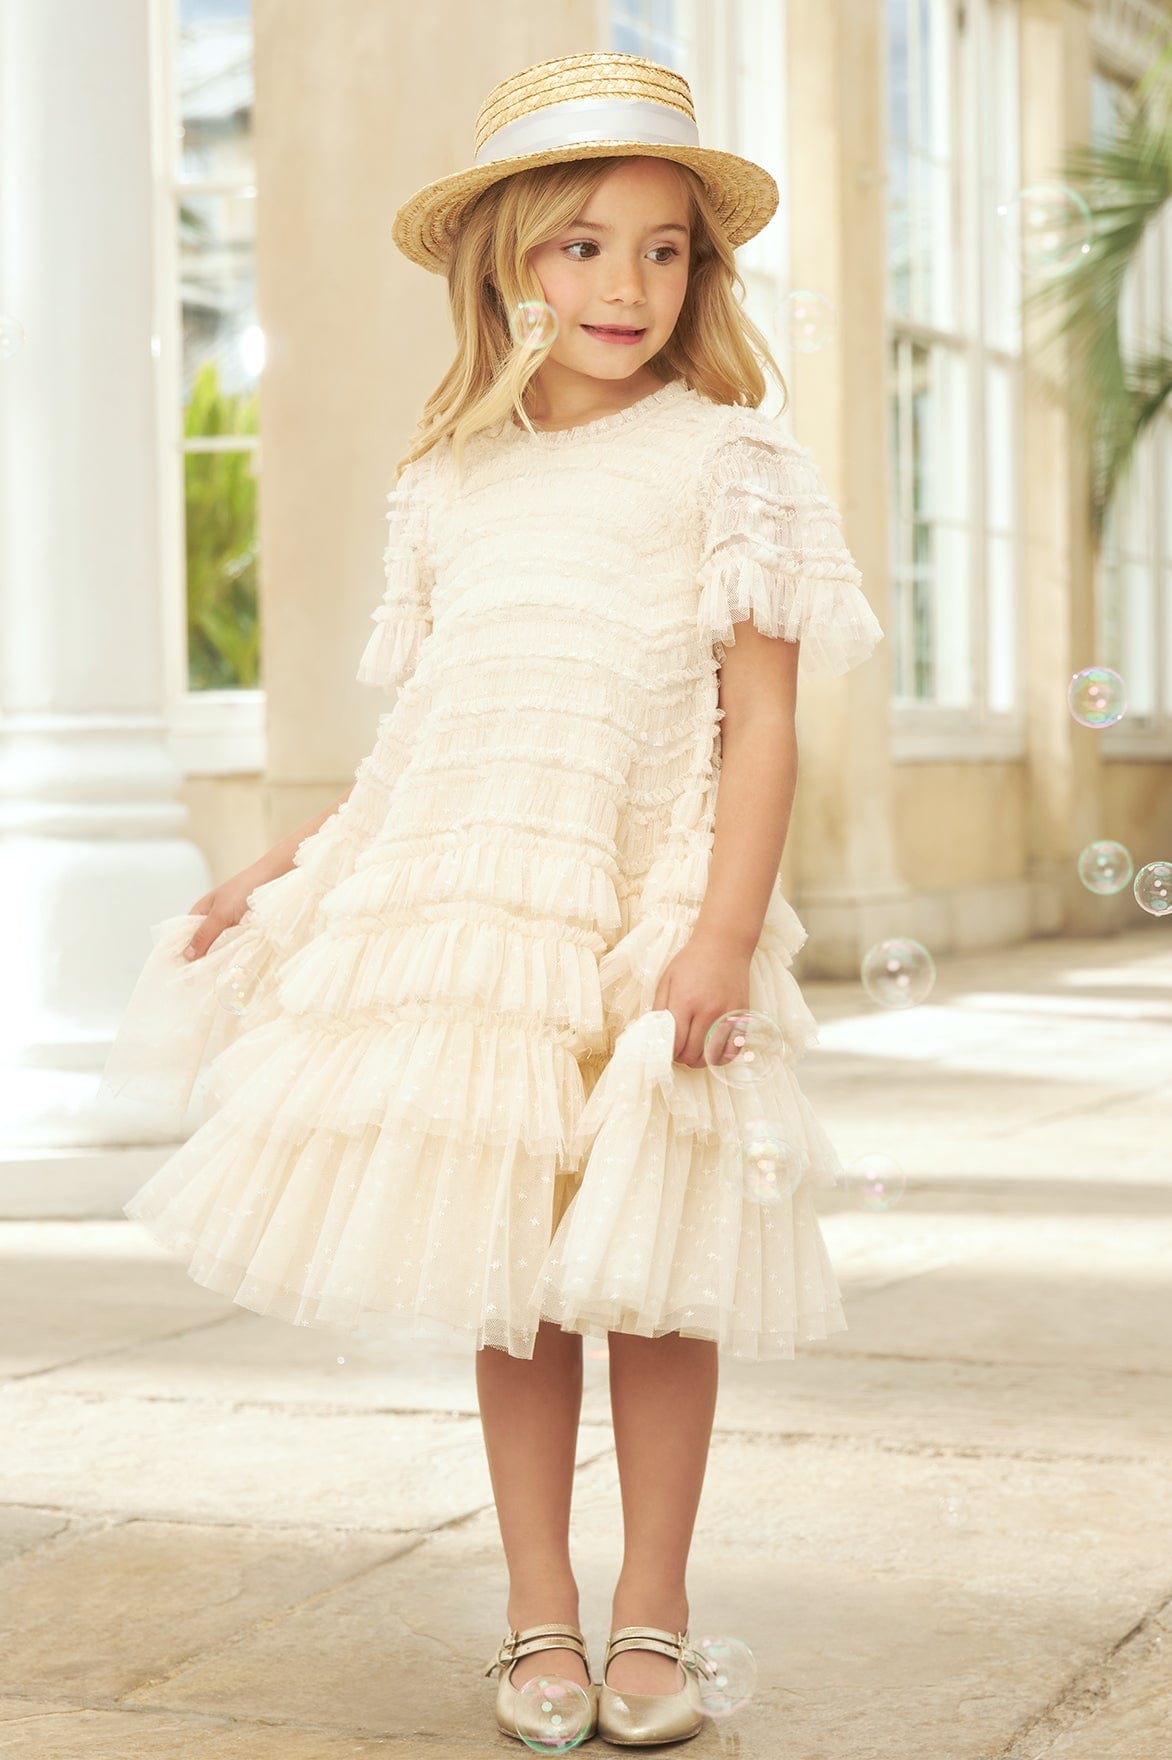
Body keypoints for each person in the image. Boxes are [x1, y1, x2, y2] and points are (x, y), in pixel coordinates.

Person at [97, 49, 883, 1751]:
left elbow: (764, 726)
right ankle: (538, 1611)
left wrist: (719, 930)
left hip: (648, 905)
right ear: (506, 261)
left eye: (664, 250)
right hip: (482, 916)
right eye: (583, 246)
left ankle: (655, 1609)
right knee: (513, 1273)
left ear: (703, 273)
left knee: (659, 1272)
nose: (627, 285)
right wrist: (289, 863)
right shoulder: (449, 475)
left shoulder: (729, 460)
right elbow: (431, 734)